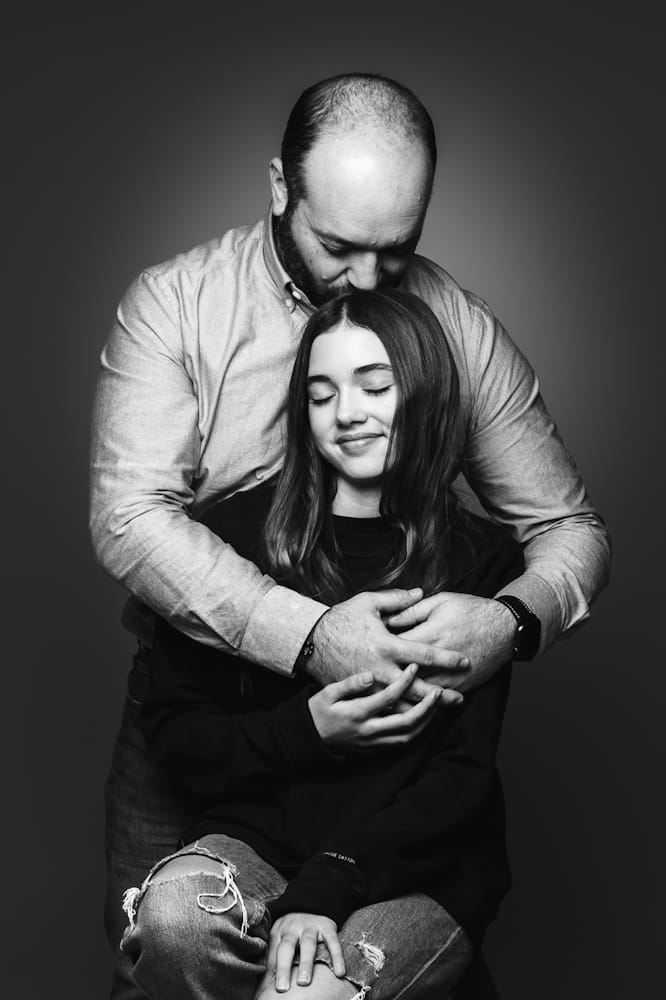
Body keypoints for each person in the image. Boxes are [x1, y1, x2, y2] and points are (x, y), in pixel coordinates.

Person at [90, 73, 610, 996]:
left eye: (396, 250)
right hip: (205, 716)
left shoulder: (453, 327)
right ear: (280, 189)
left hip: (396, 780)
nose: (367, 280)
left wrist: (510, 623)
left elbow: (569, 530)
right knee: (160, 967)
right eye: (338, 247)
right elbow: (131, 519)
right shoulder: (176, 304)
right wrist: (312, 637)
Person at [119, 289, 524, 1000]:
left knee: (301, 997)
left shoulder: (482, 560)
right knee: (174, 928)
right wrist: (307, 730)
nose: (347, 413)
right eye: (321, 392)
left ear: (424, 393)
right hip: (258, 844)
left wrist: (329, 883)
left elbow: (458, 779)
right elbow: (179, 736)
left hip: (414, 869)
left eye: (375, 385)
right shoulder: (227, 539)